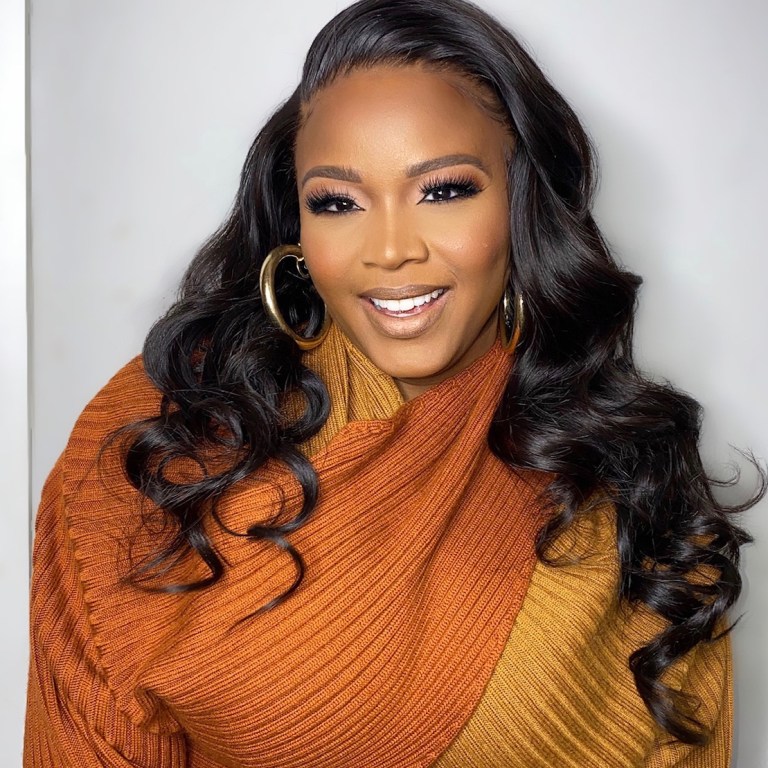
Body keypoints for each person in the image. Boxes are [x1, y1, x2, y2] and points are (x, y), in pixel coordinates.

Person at [23, 0, 764, 766]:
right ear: (297, 228)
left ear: (523, 203)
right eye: (337, 202)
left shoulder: (632, 481)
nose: (388, 250)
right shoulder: (163, 436)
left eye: (443, 191)